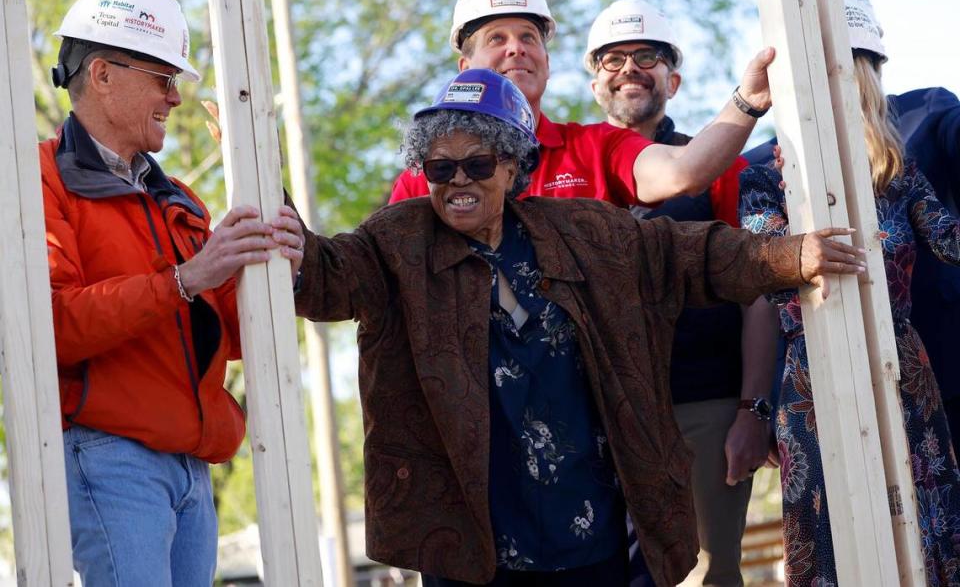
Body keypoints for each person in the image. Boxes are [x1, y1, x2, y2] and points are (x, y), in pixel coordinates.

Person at [289, 67, 864, 586]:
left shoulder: (583, 230)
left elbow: (690, 255)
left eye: (478, 164)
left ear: (513, 165)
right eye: (440, 167)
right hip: (466, 541)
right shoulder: (396, 240)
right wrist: (265, 177)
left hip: (587, 530)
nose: (457, 180)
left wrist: (791, 256)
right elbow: (325, 275)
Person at [43, 0, 302, 585]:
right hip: (111, 457)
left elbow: (228, 336)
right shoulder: (37, 181)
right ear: (103, 74)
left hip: (191, 466)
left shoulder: (176, 199)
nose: (176, 99)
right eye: (163, 79)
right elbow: (50, 329)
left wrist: (273, 271)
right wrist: (184, 279)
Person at [739, 0, 960, 586]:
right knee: (832, 535)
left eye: (852, 71)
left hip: (903, 366)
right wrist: (801, 252)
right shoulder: (762, 177)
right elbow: (758, 262)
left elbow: (949, 241)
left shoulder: (898, 169)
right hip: (814, 377)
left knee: (927, 524)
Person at [584, 0, 767, 587]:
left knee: (708, 573)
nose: (629, 68)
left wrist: (751, 411)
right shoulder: (562, 168)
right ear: (594, 83)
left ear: (674, 79)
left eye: (647, 57)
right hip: (596, 415)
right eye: (613, 59)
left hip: (704, 404)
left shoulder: (718, 166)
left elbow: (758, 294)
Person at [389, 0, 757, 208]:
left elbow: (682, 172)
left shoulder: (598, 148)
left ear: (547, 64)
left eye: (528, 37)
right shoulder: (425, 176)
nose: (516, 48)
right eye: (496, 38)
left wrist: (748, 102)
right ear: (465, 69)